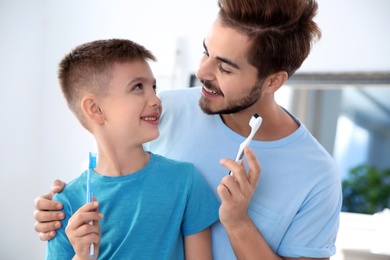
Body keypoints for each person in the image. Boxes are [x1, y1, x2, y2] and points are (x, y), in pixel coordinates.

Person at [34, 0, 342, 259]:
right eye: (206, 51)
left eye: (225, 67)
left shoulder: (317, 176)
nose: (202, 72)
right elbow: (109, 182)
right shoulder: (161, 113)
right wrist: (57, 211)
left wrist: (237, 223)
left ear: (273, 81)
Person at [43, 39, 219, 259]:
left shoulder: (186, 180)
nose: (155, 99)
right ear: (95, 109)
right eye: (138, 87)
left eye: (153, 87)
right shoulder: (63, 206)